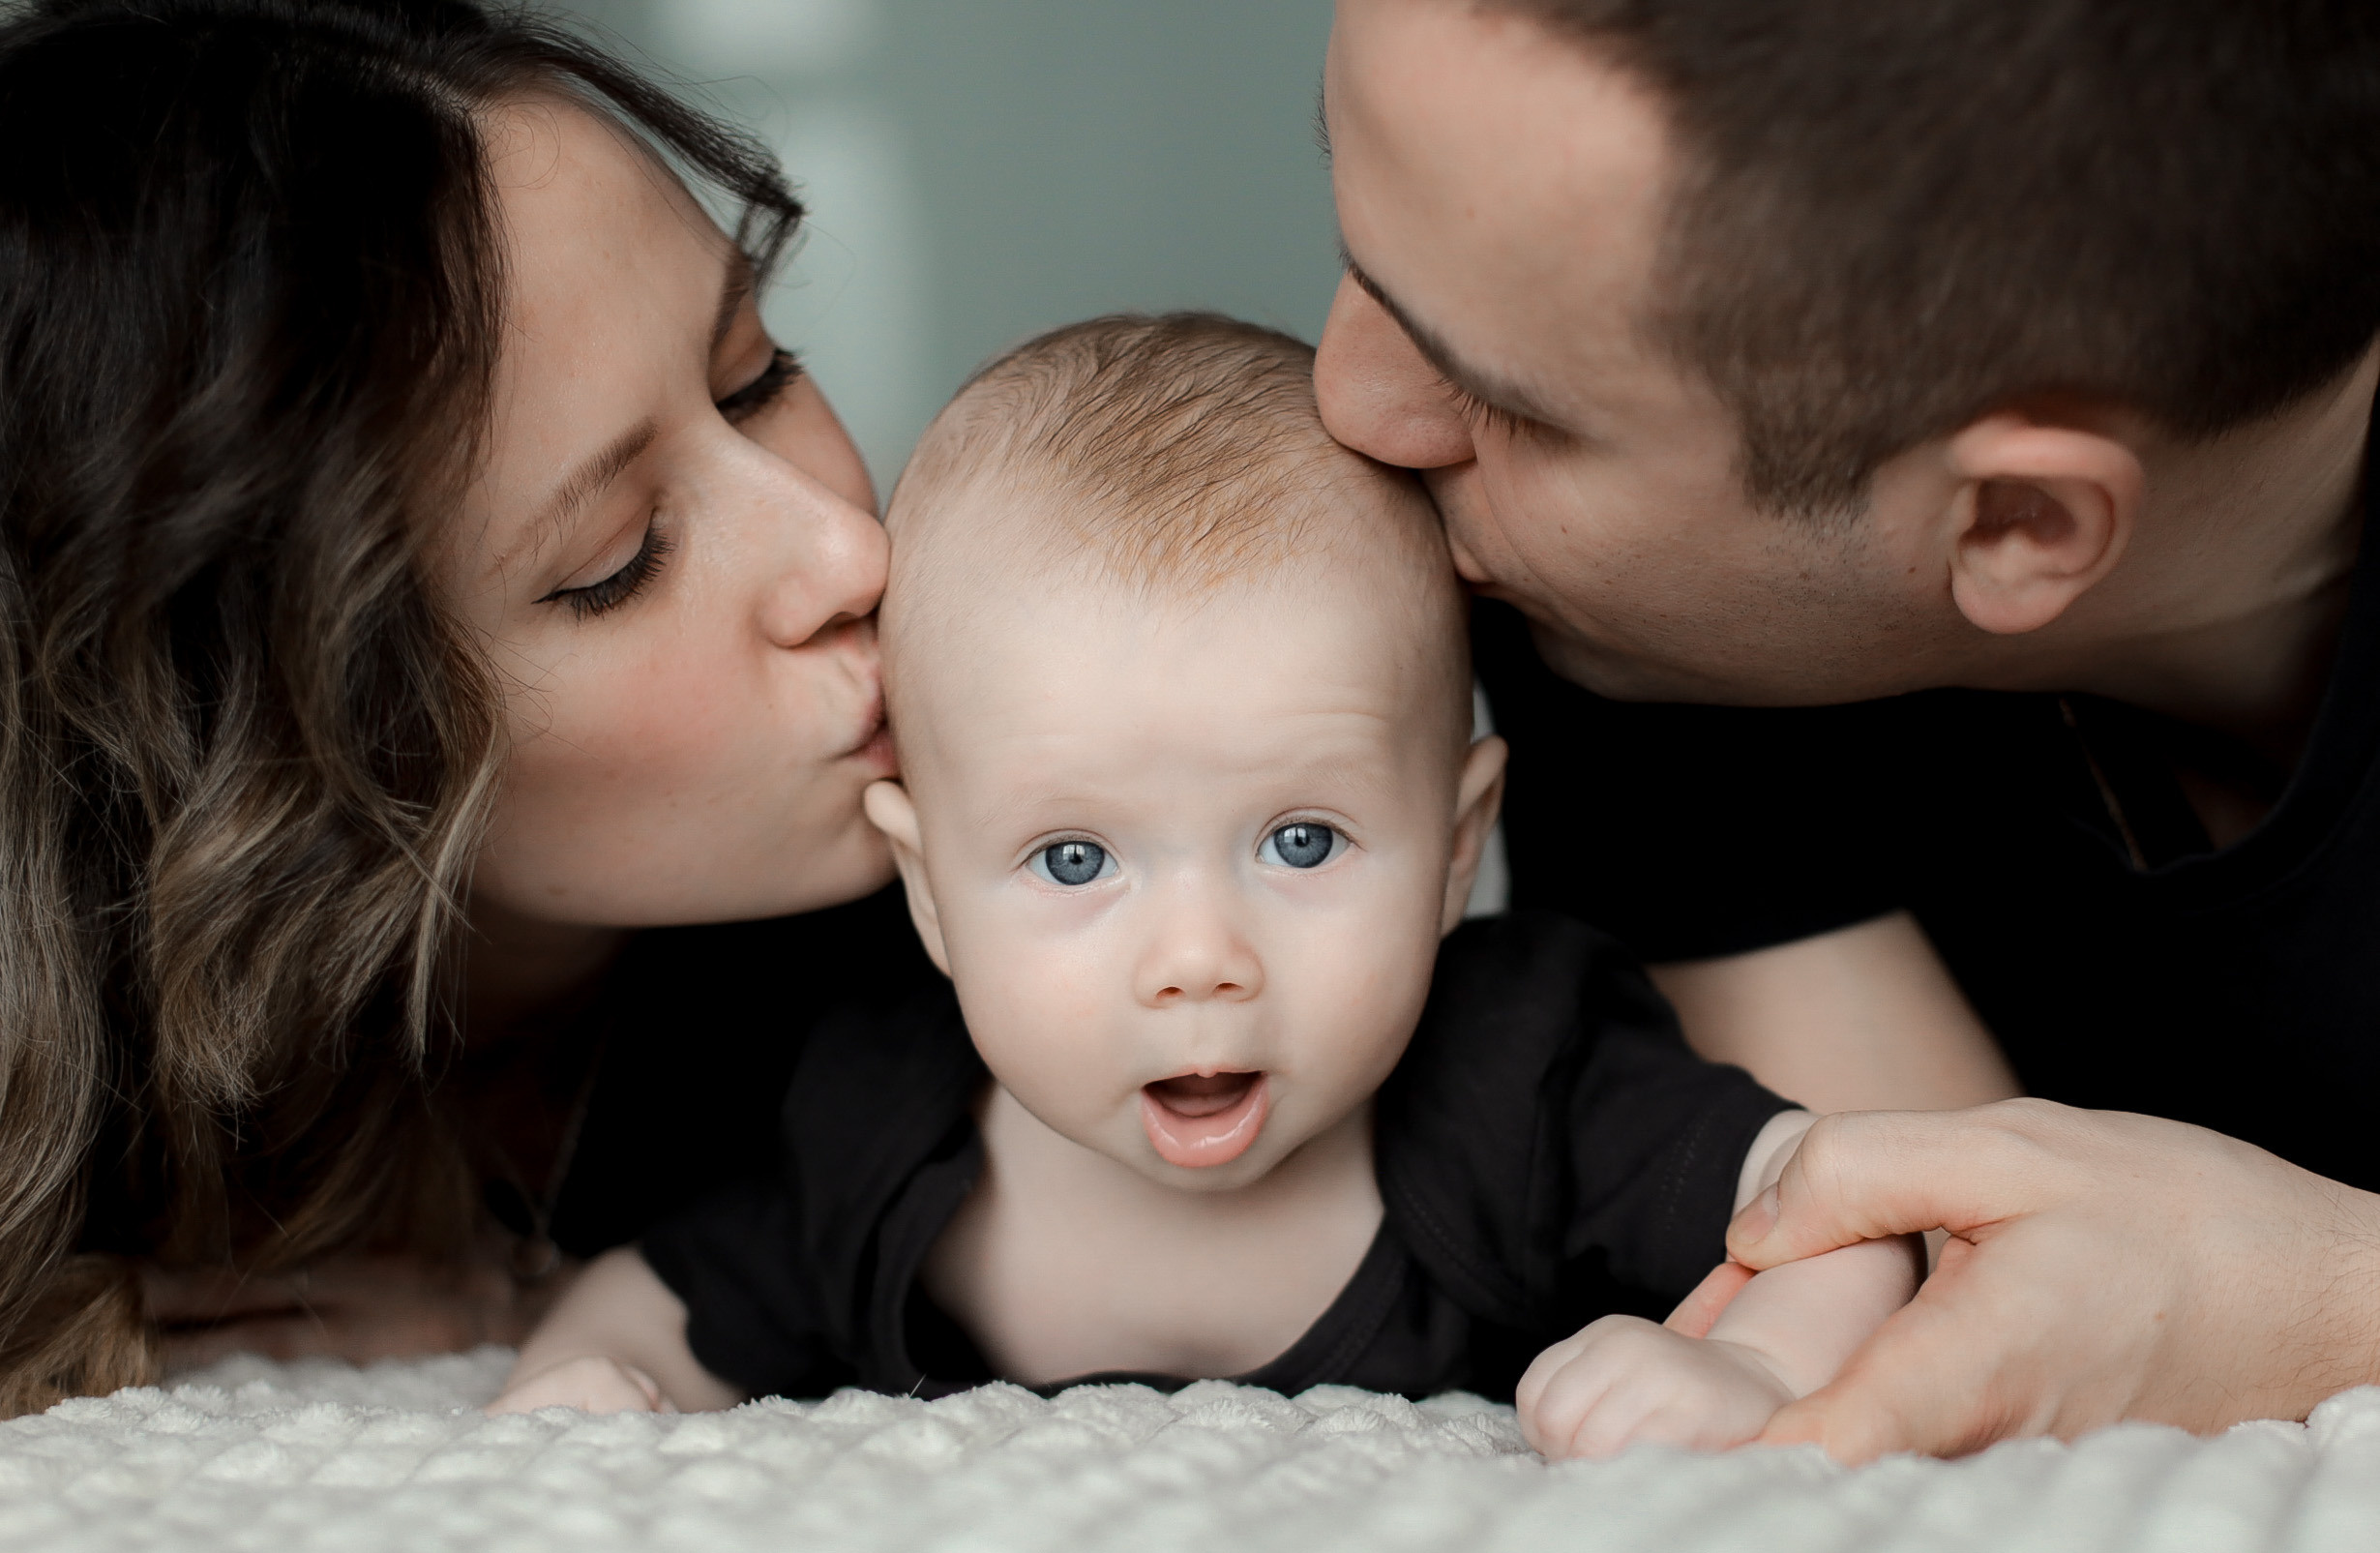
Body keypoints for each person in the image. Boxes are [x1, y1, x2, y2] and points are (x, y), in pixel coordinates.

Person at [485, 314, 1924, 1458]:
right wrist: (585, 1388)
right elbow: (668, 1297)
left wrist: (1751, 1364)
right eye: (1074, 859)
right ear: (928, 892)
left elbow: (1835, 1205)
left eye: (1300, 842)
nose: (1198, 958)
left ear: (1456, 841)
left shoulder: (1518, 1076)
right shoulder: (881, 1117)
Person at [1312, 0, 2380, 1458]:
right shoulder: (1643, 622)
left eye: (1501, 398)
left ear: (2012, 520)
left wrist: (2329, 1294)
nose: (1350, 400)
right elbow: (1919, 1266)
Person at [0, 0, 932, 1416]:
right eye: (620, 562)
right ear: (267, 758)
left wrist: (551, 1306)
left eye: (757, 378)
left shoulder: (1004, 909)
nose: (848, 552)